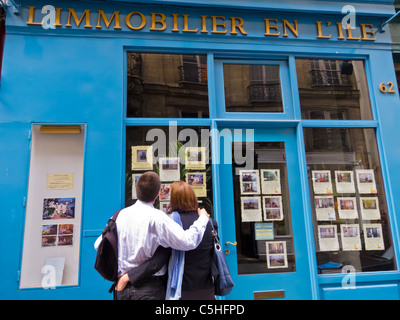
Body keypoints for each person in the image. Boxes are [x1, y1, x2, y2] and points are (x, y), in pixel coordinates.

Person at [94, 171, 210, 300]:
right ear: (157, 193)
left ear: (137, 191)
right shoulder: (157, 217)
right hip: (148, 289)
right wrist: (203, 219)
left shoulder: (118, 215)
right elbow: (188, 241)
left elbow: (98, 244)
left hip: (121, 289)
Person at [166, 181, 217, 300]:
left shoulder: (170, 223)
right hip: (206, 287)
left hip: (181, 288)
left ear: (173, 200)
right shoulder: (210, 223)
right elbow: (213, 255)